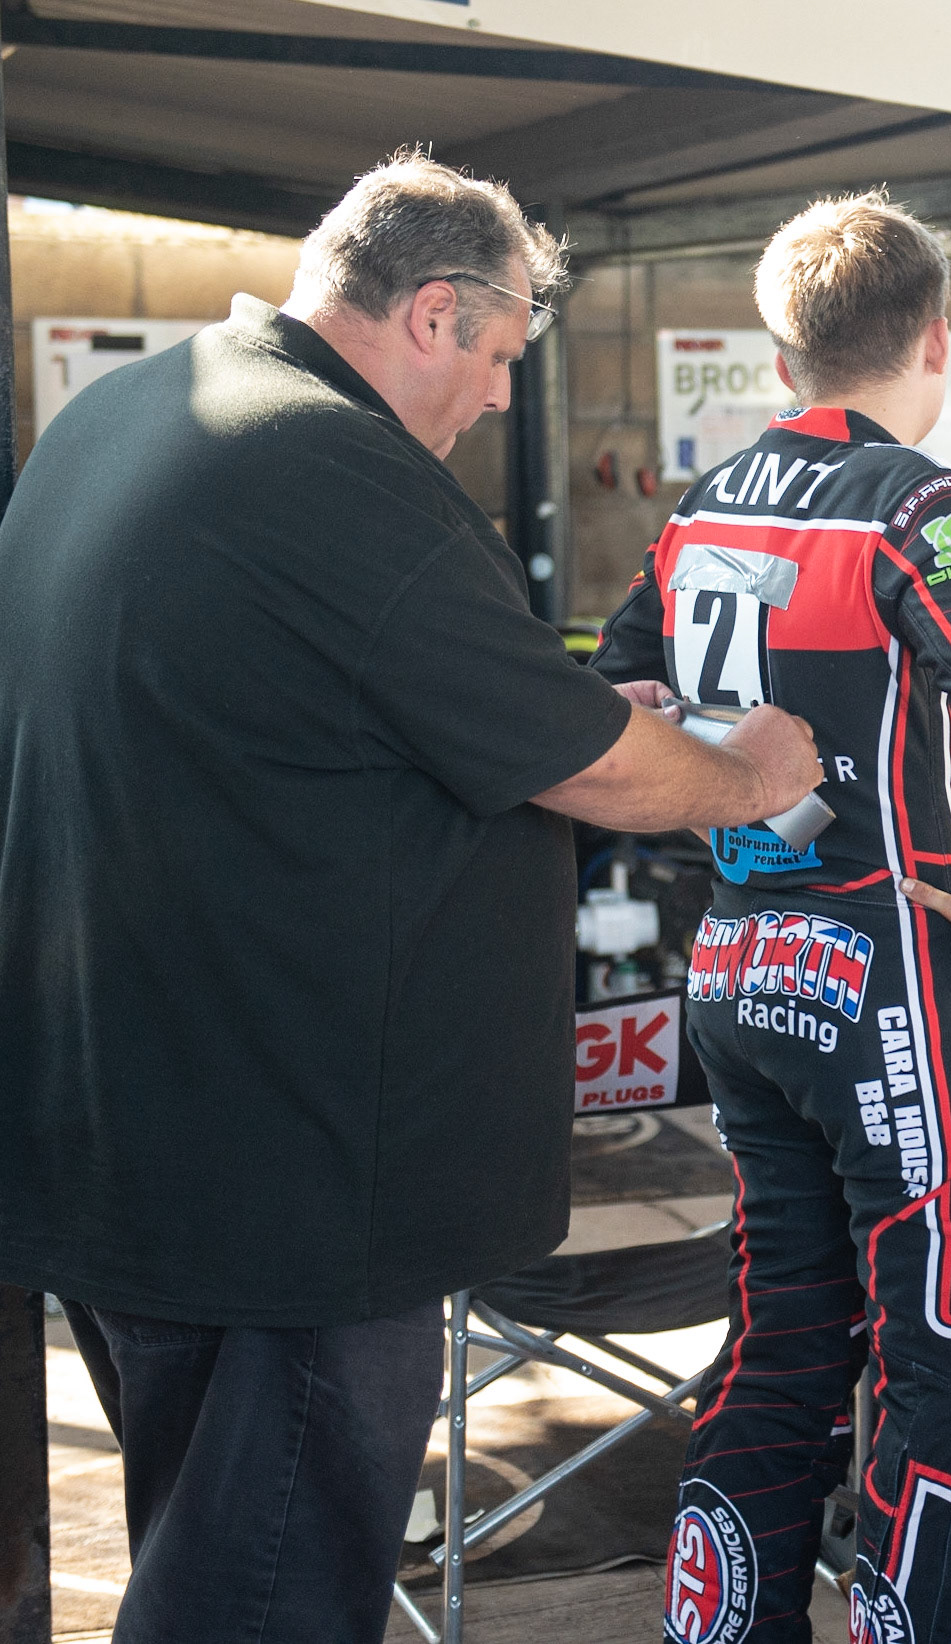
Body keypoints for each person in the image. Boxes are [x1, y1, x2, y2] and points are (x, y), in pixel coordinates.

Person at [0, 153, 820, 1644]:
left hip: (119, 1139)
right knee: (268, 1595)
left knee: (200, 1541)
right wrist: (749, 771)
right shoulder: (330, 465)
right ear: (434, 312)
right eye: (504, 356)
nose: (503, 397)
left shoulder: (128, 413)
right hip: (294, 1184)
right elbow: (613, 779)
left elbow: (318, 705)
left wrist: (567, 703)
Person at [591, 190, 951, 1644]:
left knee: (780, 1335)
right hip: (883, 977)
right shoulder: (920, 503)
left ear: (779, 351)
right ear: (934, 340)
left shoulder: (698, 508)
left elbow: (618, 693)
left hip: (736, 963)